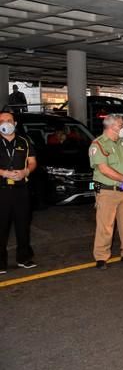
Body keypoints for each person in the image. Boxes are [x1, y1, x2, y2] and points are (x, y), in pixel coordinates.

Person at [89, 114, 123, 270]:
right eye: (121, 125)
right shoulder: (97, 145)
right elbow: (104, 169)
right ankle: (101, 257)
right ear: (111, 127)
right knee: (105, 225)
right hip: (107, 191)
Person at [0, 111, 37, 273]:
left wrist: (25, 172)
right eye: (2, 121)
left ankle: (24, 258)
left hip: (21, 190)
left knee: (23, 226)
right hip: (1, 191)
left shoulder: (25, 141)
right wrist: (3, 173)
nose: (6, 123)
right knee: (1, 227)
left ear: (15, 123)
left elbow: (33, 162)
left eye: (9, 120)